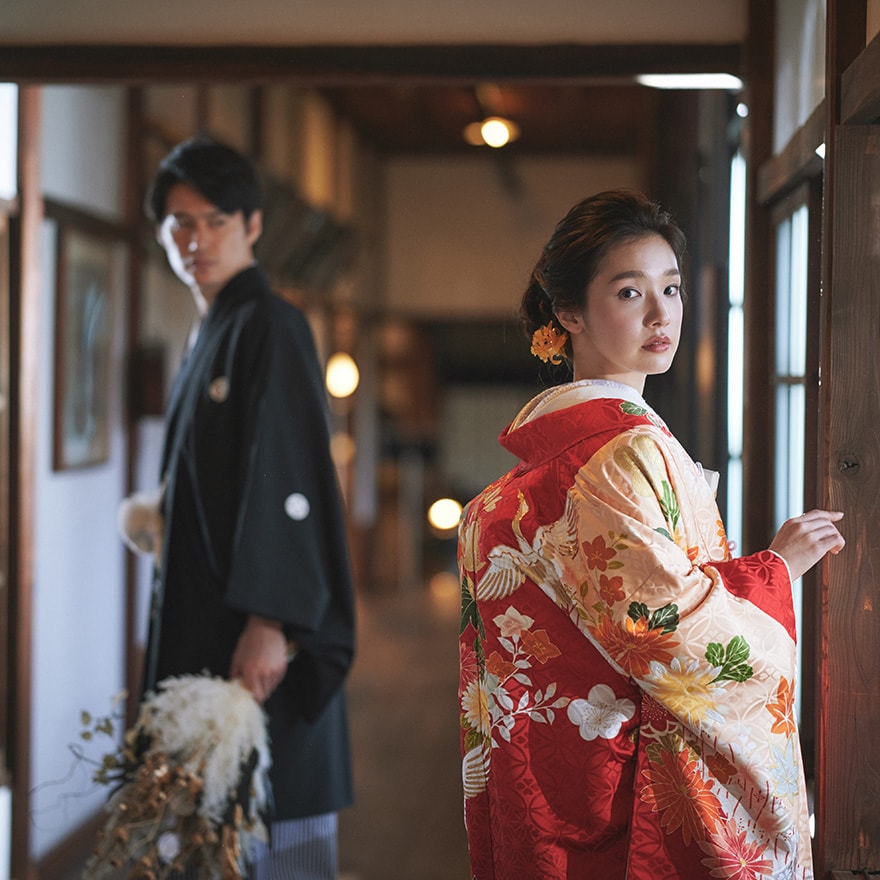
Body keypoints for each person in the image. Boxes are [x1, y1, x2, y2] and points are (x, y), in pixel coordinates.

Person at [457, 189, 844, 880]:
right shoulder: (625, 451)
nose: (662, 314)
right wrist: (776, 572)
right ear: (569, 313)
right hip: (625, 789)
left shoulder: (527, 474)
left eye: (671, 287)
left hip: (555, 779)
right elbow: (659, 623)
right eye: (631, 292)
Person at [141, 136, 356, 878]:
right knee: (215, 831)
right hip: (214, 614)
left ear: (252, 225)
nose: (194, 241)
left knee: (271, 826)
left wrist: (271, 618)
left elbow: (286, 478)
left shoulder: (269, 323)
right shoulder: (214, 327)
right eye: (178, 225)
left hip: (260, 635)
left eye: (214, 221)